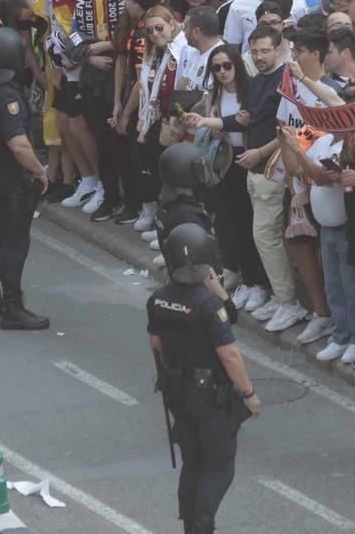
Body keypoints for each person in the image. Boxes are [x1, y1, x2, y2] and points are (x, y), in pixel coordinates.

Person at [148, 222, 262, 534]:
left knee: (193, 462)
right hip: (210, 397)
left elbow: (156, 346)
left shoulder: (157, 299)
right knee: (219, 465)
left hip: (178, 393)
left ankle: (190, 525)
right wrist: (248, 393)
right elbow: (230, 355)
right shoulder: (208, 305)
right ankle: (202, 526)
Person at [0, 26, 52, 330]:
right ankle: (13, 309)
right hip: (11, 179)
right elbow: (18, 144)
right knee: (14, 243)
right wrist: (38, 170)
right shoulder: (8, 98)